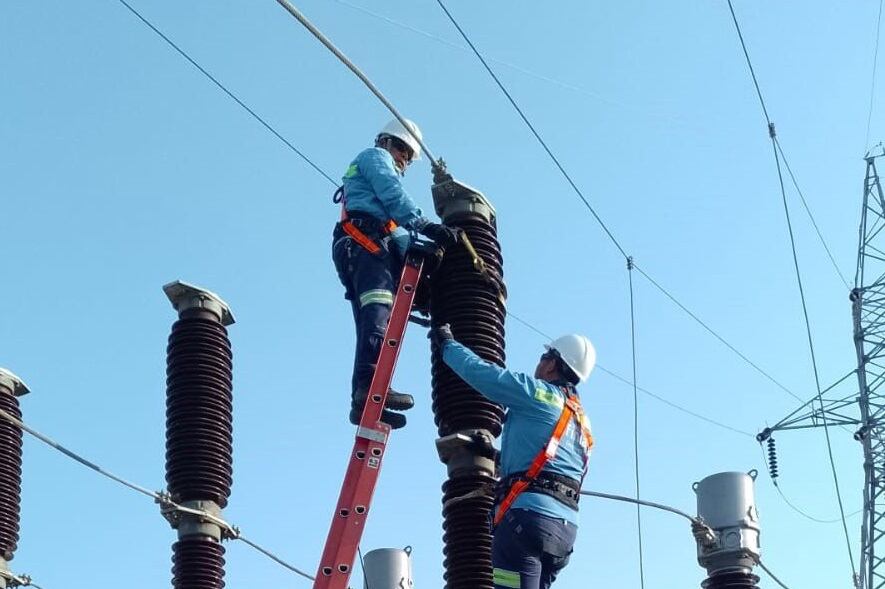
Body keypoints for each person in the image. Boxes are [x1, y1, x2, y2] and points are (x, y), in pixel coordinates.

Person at [430, 325, 596, 589]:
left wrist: (448, 345)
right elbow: (548, 465)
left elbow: (485, 376)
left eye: (544, 357)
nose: (539, 363)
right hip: (564, 533)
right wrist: (496, 458)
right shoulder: (581, 421)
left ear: (553, 364)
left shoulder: (537, 393)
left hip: (526, 522)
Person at [333, 118, 460, 429]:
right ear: (386, 141)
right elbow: (392, 193)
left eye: (408, 154)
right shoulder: (374, 157)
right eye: (402, 149)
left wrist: (431, 257)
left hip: (369, 244)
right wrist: (425, 224)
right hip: (363, 242)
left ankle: (364, 400)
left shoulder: (379, 211)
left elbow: (398, 237)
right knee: (376, 313)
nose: (404, 159)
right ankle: (369, 389)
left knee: (374, 318)